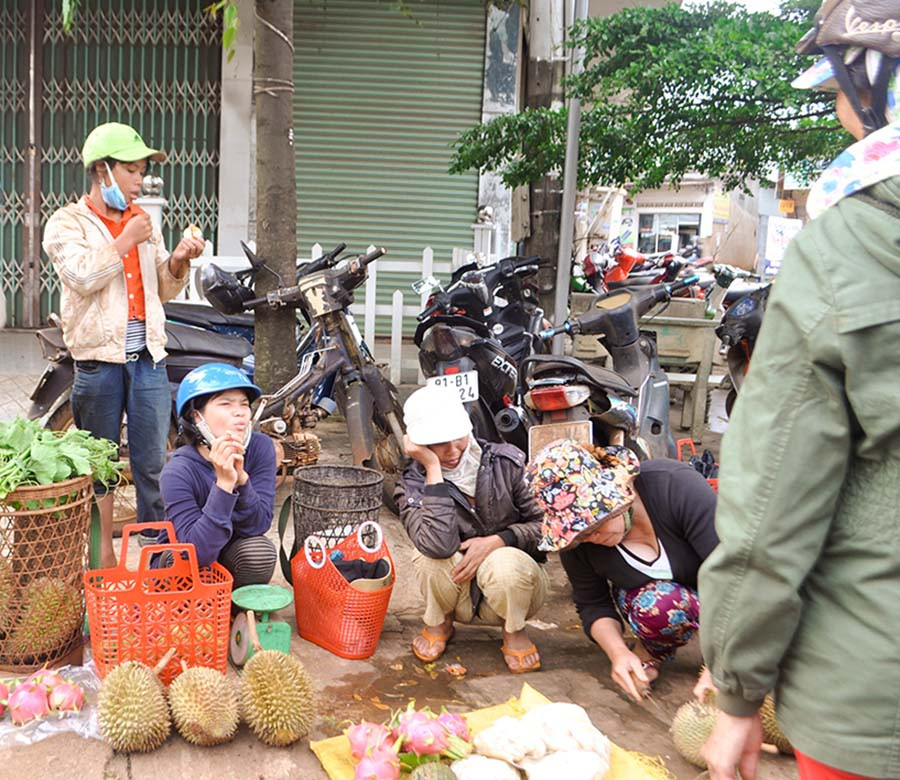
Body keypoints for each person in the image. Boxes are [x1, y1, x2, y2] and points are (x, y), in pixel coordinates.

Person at [698, 3, 900, 778]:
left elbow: (773, 503)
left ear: (878, 86)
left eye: (843, 91)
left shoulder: (850, 243)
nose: (841, 111)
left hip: (870, 694)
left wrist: (737, 691)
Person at [42, 122, 206, 568]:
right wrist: (123, 241)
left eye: (141, 171)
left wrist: (178, 259)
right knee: (100, 464)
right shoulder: (66, 223)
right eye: (131, 171)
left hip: (148, 358)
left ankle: (157, 563)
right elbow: (81, 277)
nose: (140, 180)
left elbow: (161, 288)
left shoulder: (142, 222)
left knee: (154, 464)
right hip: (98, 362)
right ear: (103, 171)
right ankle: (103, 559)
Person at [525, 439, 717, 702]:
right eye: (581, 532)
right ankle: (651, 649)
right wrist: (618, 652)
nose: (591, 537)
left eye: (595, 524)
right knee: (660, 606)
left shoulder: (674, 486)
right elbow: (593, 604)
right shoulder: (579, 544)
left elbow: (735, 574)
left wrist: (724, 663)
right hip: (663, 600)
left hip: (726, 594)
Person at [396, 384, 549, 674]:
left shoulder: (507, 462)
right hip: (458, 594)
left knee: (504, 562)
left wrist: (500, 540)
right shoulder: (413, 483)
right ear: (418, 446)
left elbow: (547, 527)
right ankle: (440, 621)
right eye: (437, 443)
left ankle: (513, 629)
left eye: (458, 437)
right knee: (428, 557)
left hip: (514, 590)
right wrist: (433, 470)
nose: (452, 450)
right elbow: (437, 545)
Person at [155, 363, 277, 589]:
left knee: (259, 552)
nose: (239, 412)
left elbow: (258, 525)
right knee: (178, 561)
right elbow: (196, 553)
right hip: (186, 557)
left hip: (231, 553)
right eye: (225, 404)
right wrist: (224, 485)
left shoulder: (261, 448)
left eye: (244, 404)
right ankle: (195, 606)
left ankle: (234, 604)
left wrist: (242, 481)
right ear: (197, 416)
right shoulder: (177, 471)